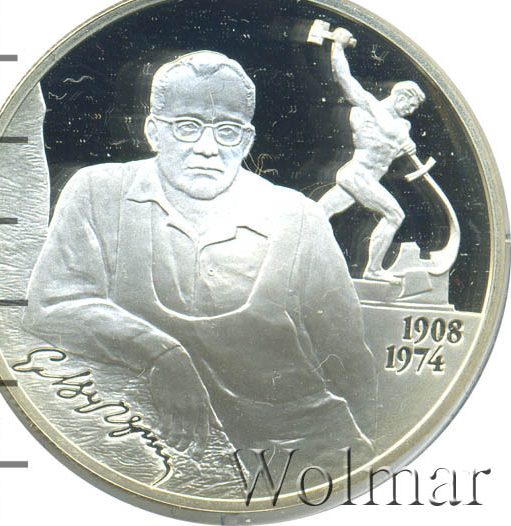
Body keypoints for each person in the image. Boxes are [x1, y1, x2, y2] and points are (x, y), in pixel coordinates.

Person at [23, 51, 376, 469]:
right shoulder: (98, 193)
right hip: (165, 445)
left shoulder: (298, 216)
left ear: (246, 141)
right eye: (188, 127)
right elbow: (51, 304)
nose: (207, 148)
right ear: (154, 132)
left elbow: (347, 359)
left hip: (306, 448)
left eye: (227, 131)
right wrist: (159, 353)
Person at [319, 28, 425, 284]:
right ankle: (374, 269)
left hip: (364, 180)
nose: (411, 111)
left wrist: (408, 148)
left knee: (317, 214)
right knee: (395, 215)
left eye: (414, 108)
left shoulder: (404, 126)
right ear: (399, 96)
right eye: (410, 105)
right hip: (359, 175)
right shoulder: (370, 107)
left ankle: (291, 250)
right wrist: (338, 46)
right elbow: (344, 79)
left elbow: (392, 151)